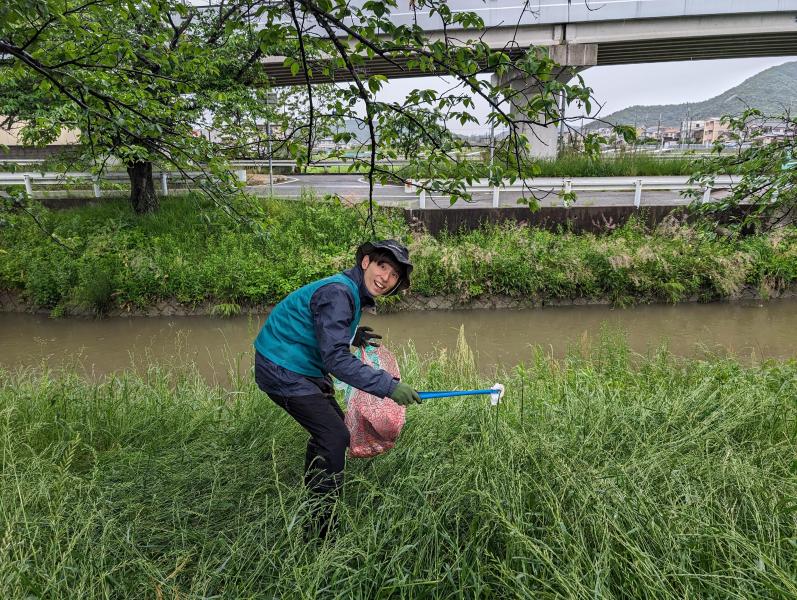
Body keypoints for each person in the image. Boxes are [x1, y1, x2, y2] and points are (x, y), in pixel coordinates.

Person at [253, 240, 421, 538]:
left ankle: (316, 492)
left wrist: (350, 334)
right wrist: (388, 386)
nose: (386, 278)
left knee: (332, 429)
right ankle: (320, 528)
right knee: (335, 434)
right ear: (366, 261)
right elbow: (336, 360)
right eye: (383, 266)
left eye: (394, 275)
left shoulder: (349, 290)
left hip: (297, 363)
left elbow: (323, 324)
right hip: (281, 367)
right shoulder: (339, 292)